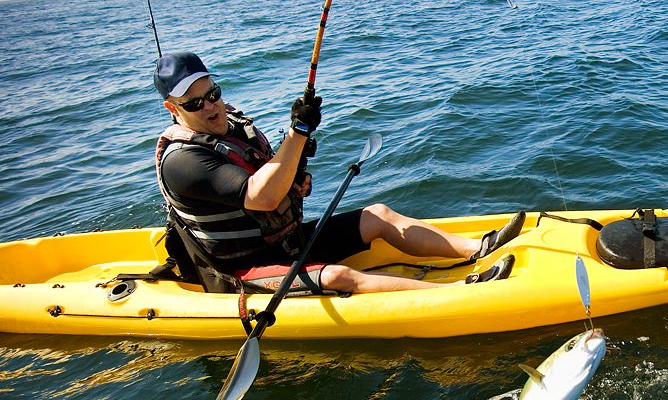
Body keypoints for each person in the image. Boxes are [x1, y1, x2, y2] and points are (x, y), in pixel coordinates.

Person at [153, 51, 523, 295]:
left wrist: (295, 181)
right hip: (243, 268)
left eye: (213, 93)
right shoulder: (182, 161)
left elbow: (274, 183)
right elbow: (261, 196)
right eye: (196, 103)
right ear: (173, 108)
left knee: (376, 216)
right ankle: (463, 291)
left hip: (287, 241)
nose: (211, 107)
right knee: (337, 277)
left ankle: (479, 248)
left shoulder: (231, 125)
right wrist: (298, 134)